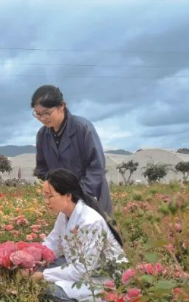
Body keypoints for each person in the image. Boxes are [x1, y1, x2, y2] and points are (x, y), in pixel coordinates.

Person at [32, 168, 126, 301]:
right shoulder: (64, 215)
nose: (46, 201)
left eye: (50, 196)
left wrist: (43, 275)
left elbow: (83, 269)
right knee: (40, 270)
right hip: (81, 270)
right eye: (45, 196)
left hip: (99, 279)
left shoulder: (90, 222)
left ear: (68, 195)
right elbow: (52, 242)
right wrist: (33, 257)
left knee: (49, 290)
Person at [31, 84, 114, 218]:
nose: (42, 118)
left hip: (92, 196)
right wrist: (57, 188)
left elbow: (96, 167)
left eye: (46, 113)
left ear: (61, 105)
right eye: (38, 114)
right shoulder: (42, 135)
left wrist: (77, 194)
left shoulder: (83, 128)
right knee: (69, 236)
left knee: (96, 234)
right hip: (65, 202)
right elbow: (42, 168)